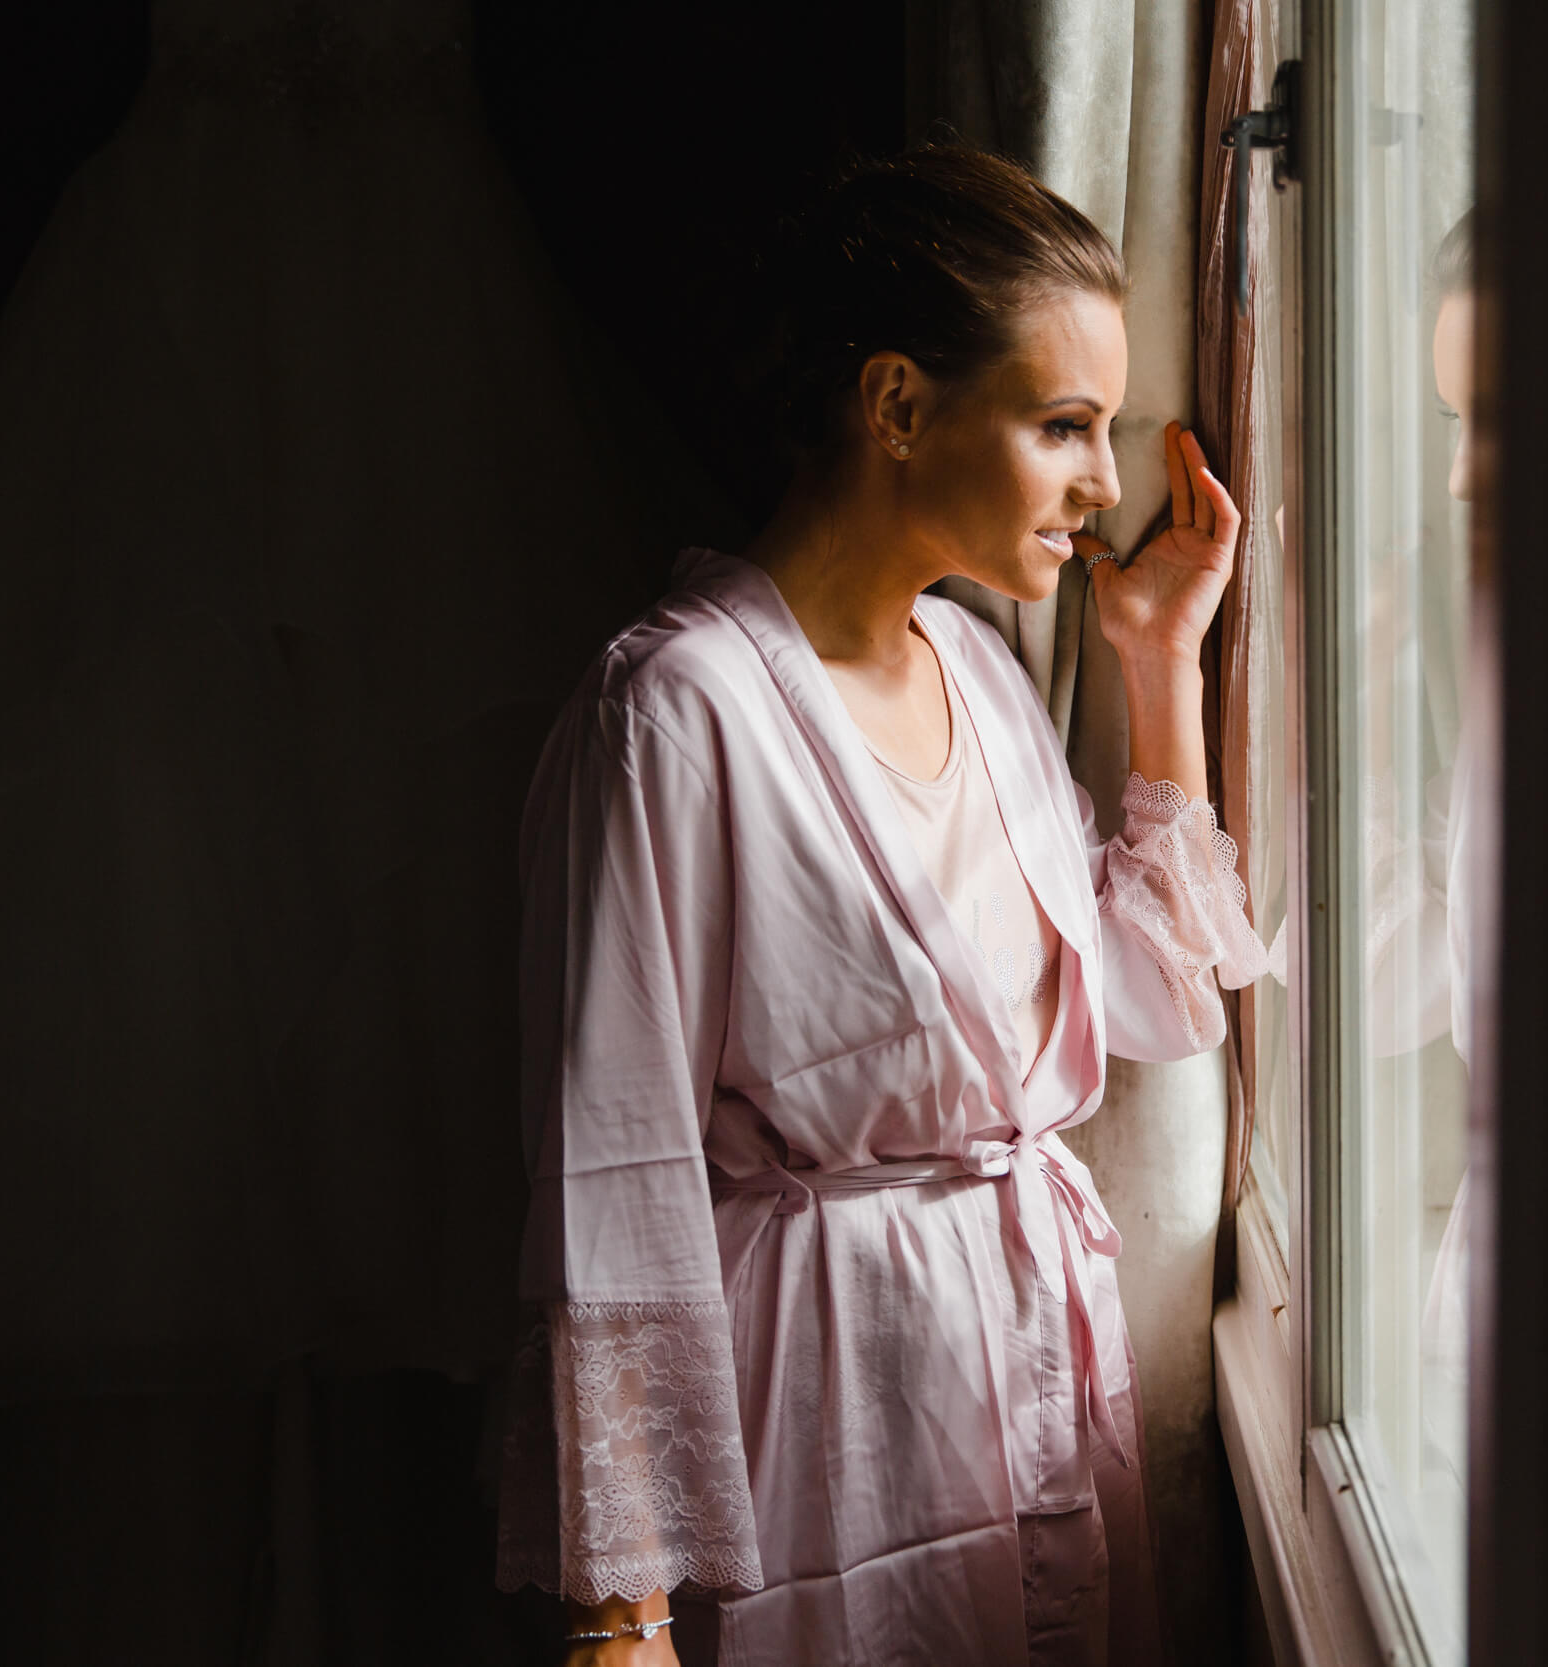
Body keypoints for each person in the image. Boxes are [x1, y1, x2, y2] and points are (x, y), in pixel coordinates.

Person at [494, 146, 1269, 1666]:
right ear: (899, 406)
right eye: (1064, 427)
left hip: (1031, 1387)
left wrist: (1159, 663)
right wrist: (621, 1608)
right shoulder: (675, 709)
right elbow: (615, 1162)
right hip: (824, 1405)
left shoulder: (977, 669)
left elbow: (1154, 1001)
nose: (1106, 483)